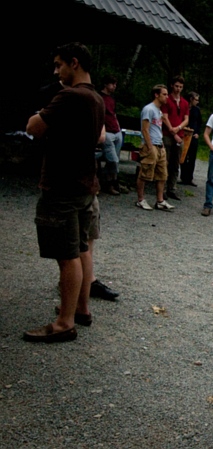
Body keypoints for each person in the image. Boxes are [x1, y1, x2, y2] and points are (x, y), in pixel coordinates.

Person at [23, 42, 105, 343]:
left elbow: (34, 127)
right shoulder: (96, 98)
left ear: (75, 63)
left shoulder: (69, 96)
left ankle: (63, 323)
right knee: (81, 248)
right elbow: (99, 137)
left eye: (60, 65)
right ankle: (81, 309)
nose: (57, 71)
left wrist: (42, 114)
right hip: (85, 185)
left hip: (61, 186)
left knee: (66, 255)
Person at [136, 84, 175, 212]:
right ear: (156, 95)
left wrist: (161, 145)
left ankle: (160, 201)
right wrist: (149, 146)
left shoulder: (159, 111)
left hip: (159, 145)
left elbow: (157, 128)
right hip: (151, 145)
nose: (166, 97)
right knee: (145, 172)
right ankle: (140, 199)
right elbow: (145, 129)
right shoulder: (149, 109)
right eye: (164, 94)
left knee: (162, 174)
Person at [161, 76, 189, 201]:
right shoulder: (167, 100)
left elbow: (186, 119)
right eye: (177, 86)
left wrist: (178, 128)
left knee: (175, 163)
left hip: (179, 134)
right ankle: (162, 189)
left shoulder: (184, 102)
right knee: (165, 162)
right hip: (167, 134)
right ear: (172, 86)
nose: (178, 89)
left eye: (181, 87)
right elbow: (164, 117)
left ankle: (172, 188)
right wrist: (173, 131)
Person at [99, 75, 126, 195]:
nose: (114, 86)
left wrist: (118, 127)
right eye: (112, 84)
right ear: (106, 84)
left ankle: (112, 181)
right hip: (107, 131)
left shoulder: (112, 99)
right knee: (112, 159)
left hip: (116, 130)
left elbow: (113, 113)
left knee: (116, 159)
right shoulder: (99, 98)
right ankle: (109, 183)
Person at [179, 91, 202, 186]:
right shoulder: (184, 108)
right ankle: (183, 177)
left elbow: (199, 122)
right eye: (196, 100)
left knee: (192, 157)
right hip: (184, 134)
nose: (197, 102)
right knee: (183, 156)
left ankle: (190, 178)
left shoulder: (197, 110)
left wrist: (197, 133)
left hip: (193, 135)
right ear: (191, 99)